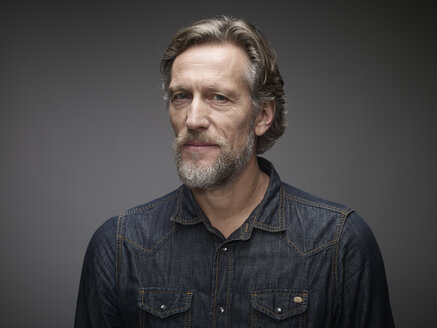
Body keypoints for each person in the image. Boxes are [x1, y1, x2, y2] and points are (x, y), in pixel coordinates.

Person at [75, 16, 394, 327]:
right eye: (181, 96)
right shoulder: (119, 246)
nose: (193, 119)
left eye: (218, 97)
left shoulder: (339, 243)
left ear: (262, 115)